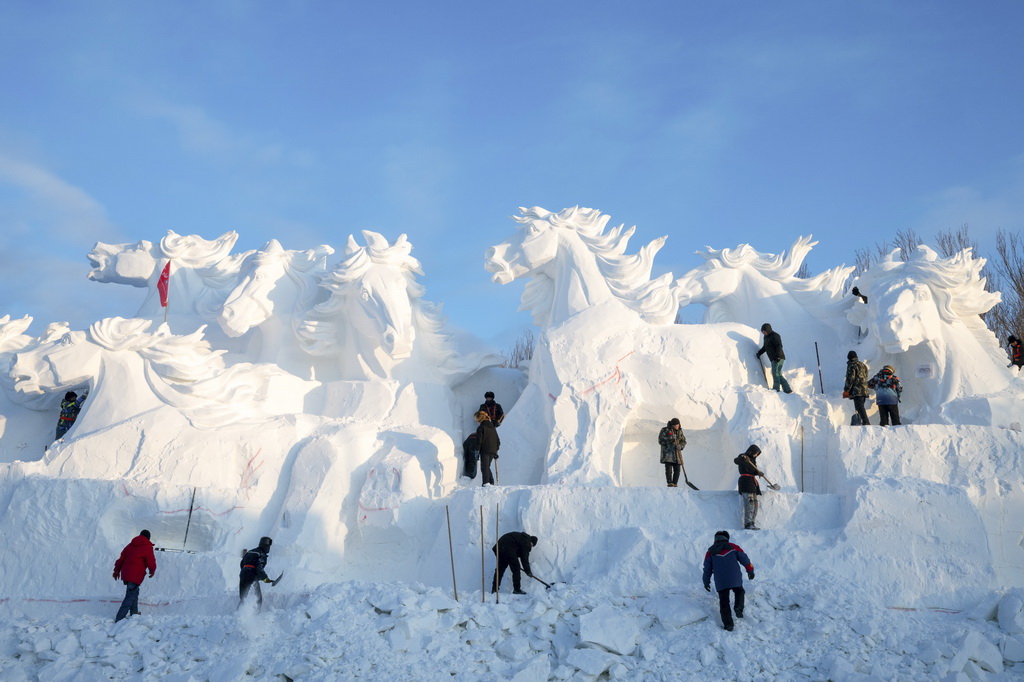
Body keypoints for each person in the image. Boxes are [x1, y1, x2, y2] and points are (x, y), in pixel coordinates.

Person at [702, 530, 755, 632]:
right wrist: (750, 570)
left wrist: (706, 582)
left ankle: (728, 624)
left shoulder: (710, 552)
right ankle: (738, 607)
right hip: (734, 577)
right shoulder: (733, 547)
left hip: (721, 581)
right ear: (726, 538)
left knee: (724, 602)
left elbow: (707, 569)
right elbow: (744, 558)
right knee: (739, 591)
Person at [112, 529, 156, 622]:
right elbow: (150, 561)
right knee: (130, 595)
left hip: (126, 573)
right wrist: (152, 570)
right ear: (148, 538)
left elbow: (121, 559)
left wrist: (116, 571)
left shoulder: (130, 545)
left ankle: (134, 612)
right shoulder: (147, 546)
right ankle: (119, 617)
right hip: (135, 575)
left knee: (134, 592)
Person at [239, 536, 274, 611]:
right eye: (268, 546)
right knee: (257, 598)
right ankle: (255, 615)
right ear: (265, 546)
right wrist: (265, 578)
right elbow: (259, 567)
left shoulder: (250, 552)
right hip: (251, 576)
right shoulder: (261, 554)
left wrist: (246, 572)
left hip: (243, 574)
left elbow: (242, 564)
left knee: (243, 597)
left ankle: (238, 615)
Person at [755, 324, 793, 394]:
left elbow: (779, 346)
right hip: (774, 358)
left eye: (764, 331)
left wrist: (778, 356)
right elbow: (765, 347)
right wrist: (759, 353)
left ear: (768, 330)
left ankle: (776, 389)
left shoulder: (775, 335)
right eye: (762, 332)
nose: (763, 333)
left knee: (775, 373)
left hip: (779, 357)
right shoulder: (766, 337)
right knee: (778, 374)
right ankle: (787, 389)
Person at [734, 445, 763, 530]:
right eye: (755, 453)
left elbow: (753, 471)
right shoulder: (743, 456)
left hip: (752, 483)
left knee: (755, 505)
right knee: (749, 504)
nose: (756, 455)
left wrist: (758, 473)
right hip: (745, 482)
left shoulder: (753, 460)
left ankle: (752, 522)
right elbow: (736, 461)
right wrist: (743, 458)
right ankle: (748, 524)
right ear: (752, 451)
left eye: (757, 454)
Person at [843, 350, 870, 426]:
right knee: (860, 406)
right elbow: (866, 375)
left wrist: (846, 390)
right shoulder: (863, 365)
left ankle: (865, 421)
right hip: (864, 389)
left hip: (857, 390)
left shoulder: (852, 365)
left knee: (859, 406)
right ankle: (860, 421)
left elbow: (850, 378)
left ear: (849, 358)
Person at [658, 418, 687, 488]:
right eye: (676, 425)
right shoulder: (664, 430)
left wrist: (681, 446)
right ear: (672, 425)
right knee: (669, 469)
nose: (677, 426)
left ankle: (675, 483)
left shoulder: (680, 431)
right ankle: (670, 483)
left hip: (677, 454)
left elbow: (684, 440)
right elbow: (660, 441)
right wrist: (671, 438)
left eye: (678, 425)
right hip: (668, 454)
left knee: (677, 469)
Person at [475, 410, 500, 486]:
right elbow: (497, 440)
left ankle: (486, 483)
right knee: (487, 467)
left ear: (479, 419)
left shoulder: (481, 428)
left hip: (485, 450)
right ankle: (490, 482)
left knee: (484, 467)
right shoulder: (492, 427)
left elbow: (479, 441)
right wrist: (496, 451)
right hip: (493, 450)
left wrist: (477, 451)